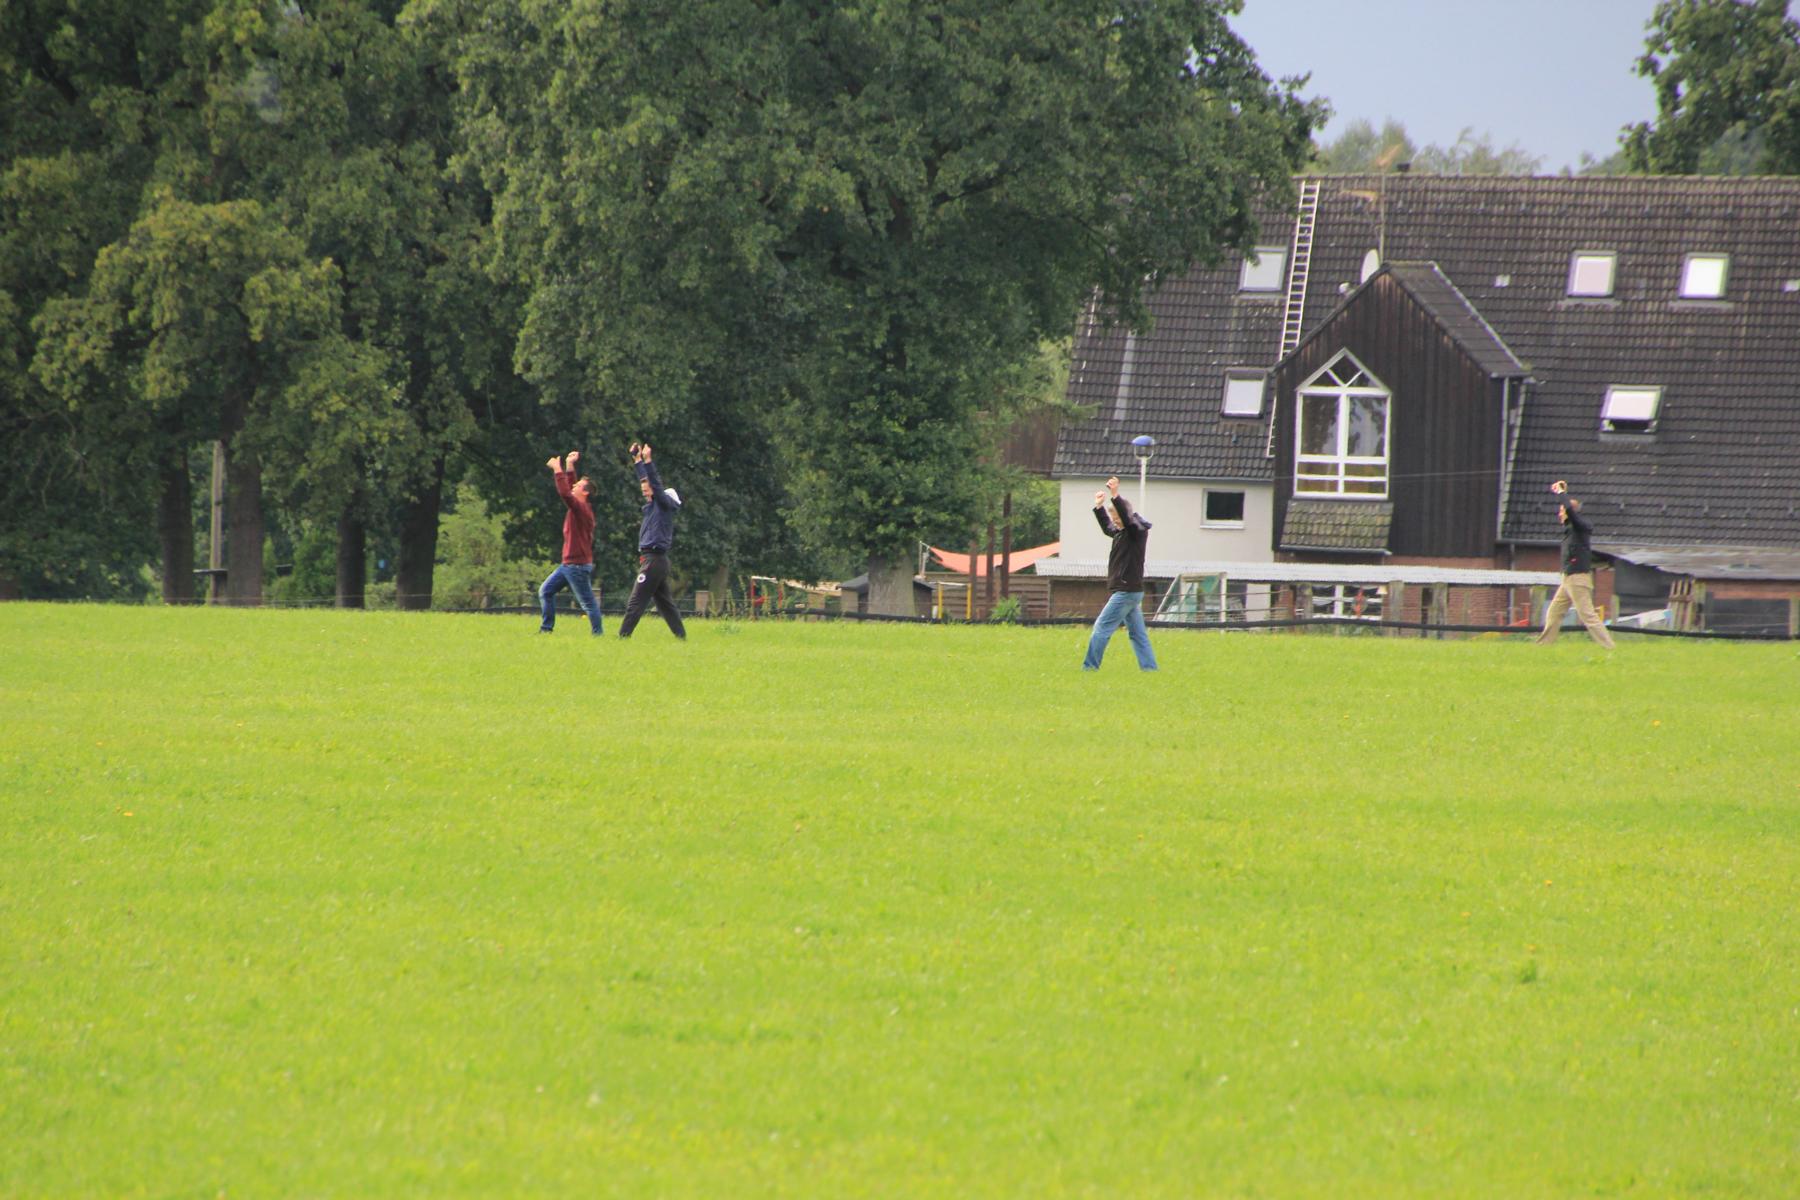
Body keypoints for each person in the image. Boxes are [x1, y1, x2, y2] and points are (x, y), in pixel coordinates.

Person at [1083, 475, 1158, 671]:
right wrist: (1099, 507)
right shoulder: (1121, 532)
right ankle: (1150, 669)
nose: (1115, 522)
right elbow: (1108, 527)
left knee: (1101, 628)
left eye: (1117, 518)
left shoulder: (1136, 531)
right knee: (1138, 634)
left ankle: (1090, 667)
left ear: (1126, 515)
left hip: (1125, 591)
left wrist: (1115, 494)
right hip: (1131, 591)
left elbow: (1125, 517)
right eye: (1114, 518)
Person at [617, 442, 687, 640]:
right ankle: (681, 637)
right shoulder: (654, 508)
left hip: (654, 561)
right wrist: (637, 461)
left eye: (651, 492)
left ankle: (623, 636)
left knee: (636, 601)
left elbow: (654, 483)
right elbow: (646, 482)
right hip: (656, 561)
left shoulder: (663, 506)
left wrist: (648, 461)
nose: (646, 493)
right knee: (666, 604)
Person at [1535, 479, 1616, 649]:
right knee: (1554, 612)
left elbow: (1571, 512)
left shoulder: (1581, 527)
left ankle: (1609, 647)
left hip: (1578, 579)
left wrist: (1561, 493)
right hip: (1568, 578)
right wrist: (1564, 493)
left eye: (1561, 511)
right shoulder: (1571, 530)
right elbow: (1570, 512)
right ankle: (1543, 645)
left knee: (1588, 615)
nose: (1559, 515)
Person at [537, 450, 604, 635]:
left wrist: (557, 470)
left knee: (588, 603)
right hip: (568, 564)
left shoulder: (581, 509)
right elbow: (571, 489)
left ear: (585, 492)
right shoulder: (579, 507)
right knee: (546, 591)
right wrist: (570, 464)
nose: (574, 486)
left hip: (577, 566)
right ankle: (546, 630)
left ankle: (598, 634)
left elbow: (566, 494)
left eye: (578, 485)